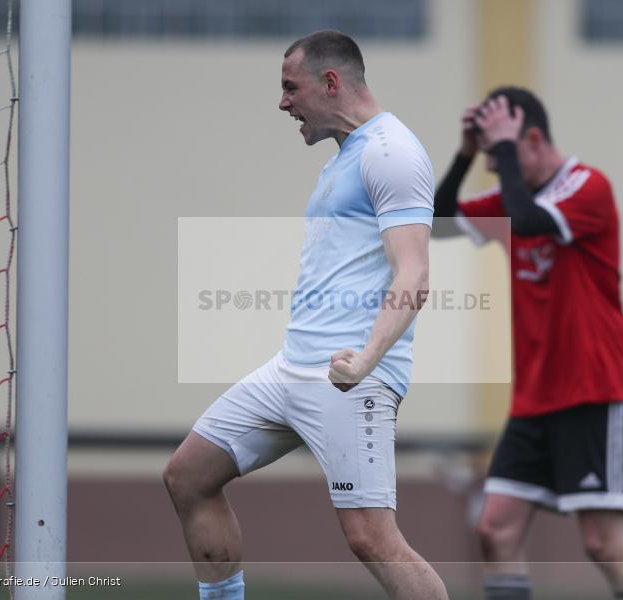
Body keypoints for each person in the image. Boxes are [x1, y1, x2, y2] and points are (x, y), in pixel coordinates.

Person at [163, 30, 449, 600]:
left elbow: (414, 276)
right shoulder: (349, 155)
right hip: (291, 371)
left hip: (351, 380)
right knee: (188, 477)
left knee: (372, 538)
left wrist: (365, 361)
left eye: (290, 87)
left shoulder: (391, 152)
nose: (283, 102)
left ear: (332, 82)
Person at [433, 87, 623, 600]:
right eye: (492, 159)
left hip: (593, 392)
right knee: (495, 529)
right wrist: (468, 150)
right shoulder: (511, 196)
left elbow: (531, 218)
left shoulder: (588, 187)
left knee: (603, 543)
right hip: (534, 400)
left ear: (531, 139)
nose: (497, 169)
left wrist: (505, 150)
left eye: (503, 155)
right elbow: (439, 222)